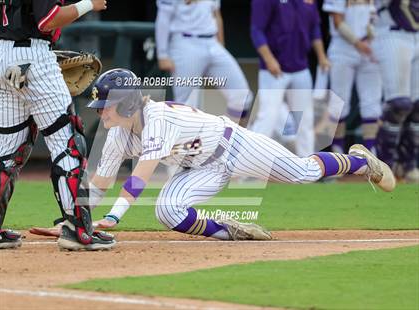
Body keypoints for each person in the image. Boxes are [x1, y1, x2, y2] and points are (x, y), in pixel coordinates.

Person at [83, 68, 395, 239]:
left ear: (126, 103)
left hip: (232, 146)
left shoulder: (158, 118)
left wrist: (113, 216)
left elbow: (142, 175)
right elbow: (99, 183)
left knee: (303, 173)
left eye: (106, 106)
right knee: (167, 210)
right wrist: (76, 219)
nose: (101, 113)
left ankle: (360, 162)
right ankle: (230, 230)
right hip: (197, 169)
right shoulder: (118, 134)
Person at [0, 0, 115, 250]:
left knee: (6, 152)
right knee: (67, 142)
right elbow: (48, 19)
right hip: (33, 55)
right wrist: (88, 4)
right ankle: (78, 230)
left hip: (2, 56)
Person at [250, 0, 330, 157]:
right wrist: (269, 59)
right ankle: (249, 167)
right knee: (268, 118)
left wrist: (321, 56)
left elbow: (314, 29)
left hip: (300, 68)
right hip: (273, 70)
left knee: (305, 119)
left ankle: (308, 167)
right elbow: (256, 30)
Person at [155, 0, 253, 126]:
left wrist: (221, 45)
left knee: (242, 96)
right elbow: (163, 18)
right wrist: (162, 54)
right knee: (186, 106)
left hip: (212, 42)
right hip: (185, 43)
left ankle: (229, 138)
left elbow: (216, 14)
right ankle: (181, 144)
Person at [323, 0, 382, 154]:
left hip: (369, 47)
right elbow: (337, 21)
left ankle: (371, 152)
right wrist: (357, 42)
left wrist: (372, 35)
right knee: (339, 102)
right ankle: (337, 150)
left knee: (372, 102)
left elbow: (376, 18)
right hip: (343, 47)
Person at [372, 0, 419, 182]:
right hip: (392, 31)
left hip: (416, 34)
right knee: (399, 104)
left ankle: (409, 164)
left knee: (417, 107)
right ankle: (385, 164)